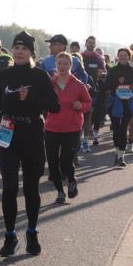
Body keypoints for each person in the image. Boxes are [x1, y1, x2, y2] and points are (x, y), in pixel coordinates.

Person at [0, 32, 60, 257]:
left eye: (24, 48)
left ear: (32, 52)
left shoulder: (40, 76)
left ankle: (32, 232)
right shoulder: (5, 75)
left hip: (31, 132)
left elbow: (54, 105)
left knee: (31, 188)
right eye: (16, 47)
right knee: (9, 187)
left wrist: (31, 98)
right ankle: (10, 236)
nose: (19, 51)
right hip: (8, 134)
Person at [44, 53, 92, 203]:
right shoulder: (50, 84)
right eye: (59, 63)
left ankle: (71, 179)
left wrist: (81, 106)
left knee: (65, 161)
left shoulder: (78, 85)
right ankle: (60, 192)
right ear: (56, 65)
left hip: (72, 128)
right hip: (52, 127)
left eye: (65, 64)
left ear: (71, 66)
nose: (62, 66)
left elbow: (89, 103)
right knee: (52, 162)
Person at [104, 48, 133, 166]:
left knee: (123, 128)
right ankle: (117, 151)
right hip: (115, 103)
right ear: (118, 57)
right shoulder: (112, 70)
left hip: (128, 103)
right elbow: (106, 86)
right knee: (116, 128)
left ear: (129, 57)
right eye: (120, 55)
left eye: (125, 55)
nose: (123, 57)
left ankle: (121, 157)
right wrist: (116, 84)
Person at [80, 36, 106, 150]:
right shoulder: (80, 56)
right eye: (89, 42)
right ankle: (79, 139)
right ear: (85, 43)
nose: (91, 44)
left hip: (94, 90)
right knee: (80, 113)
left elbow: (103, 73)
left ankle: (87, 139)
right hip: (80, 89)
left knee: (91, 114)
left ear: (95, 45)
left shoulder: (98, 58)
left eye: (93, 43)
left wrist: (102, 75)